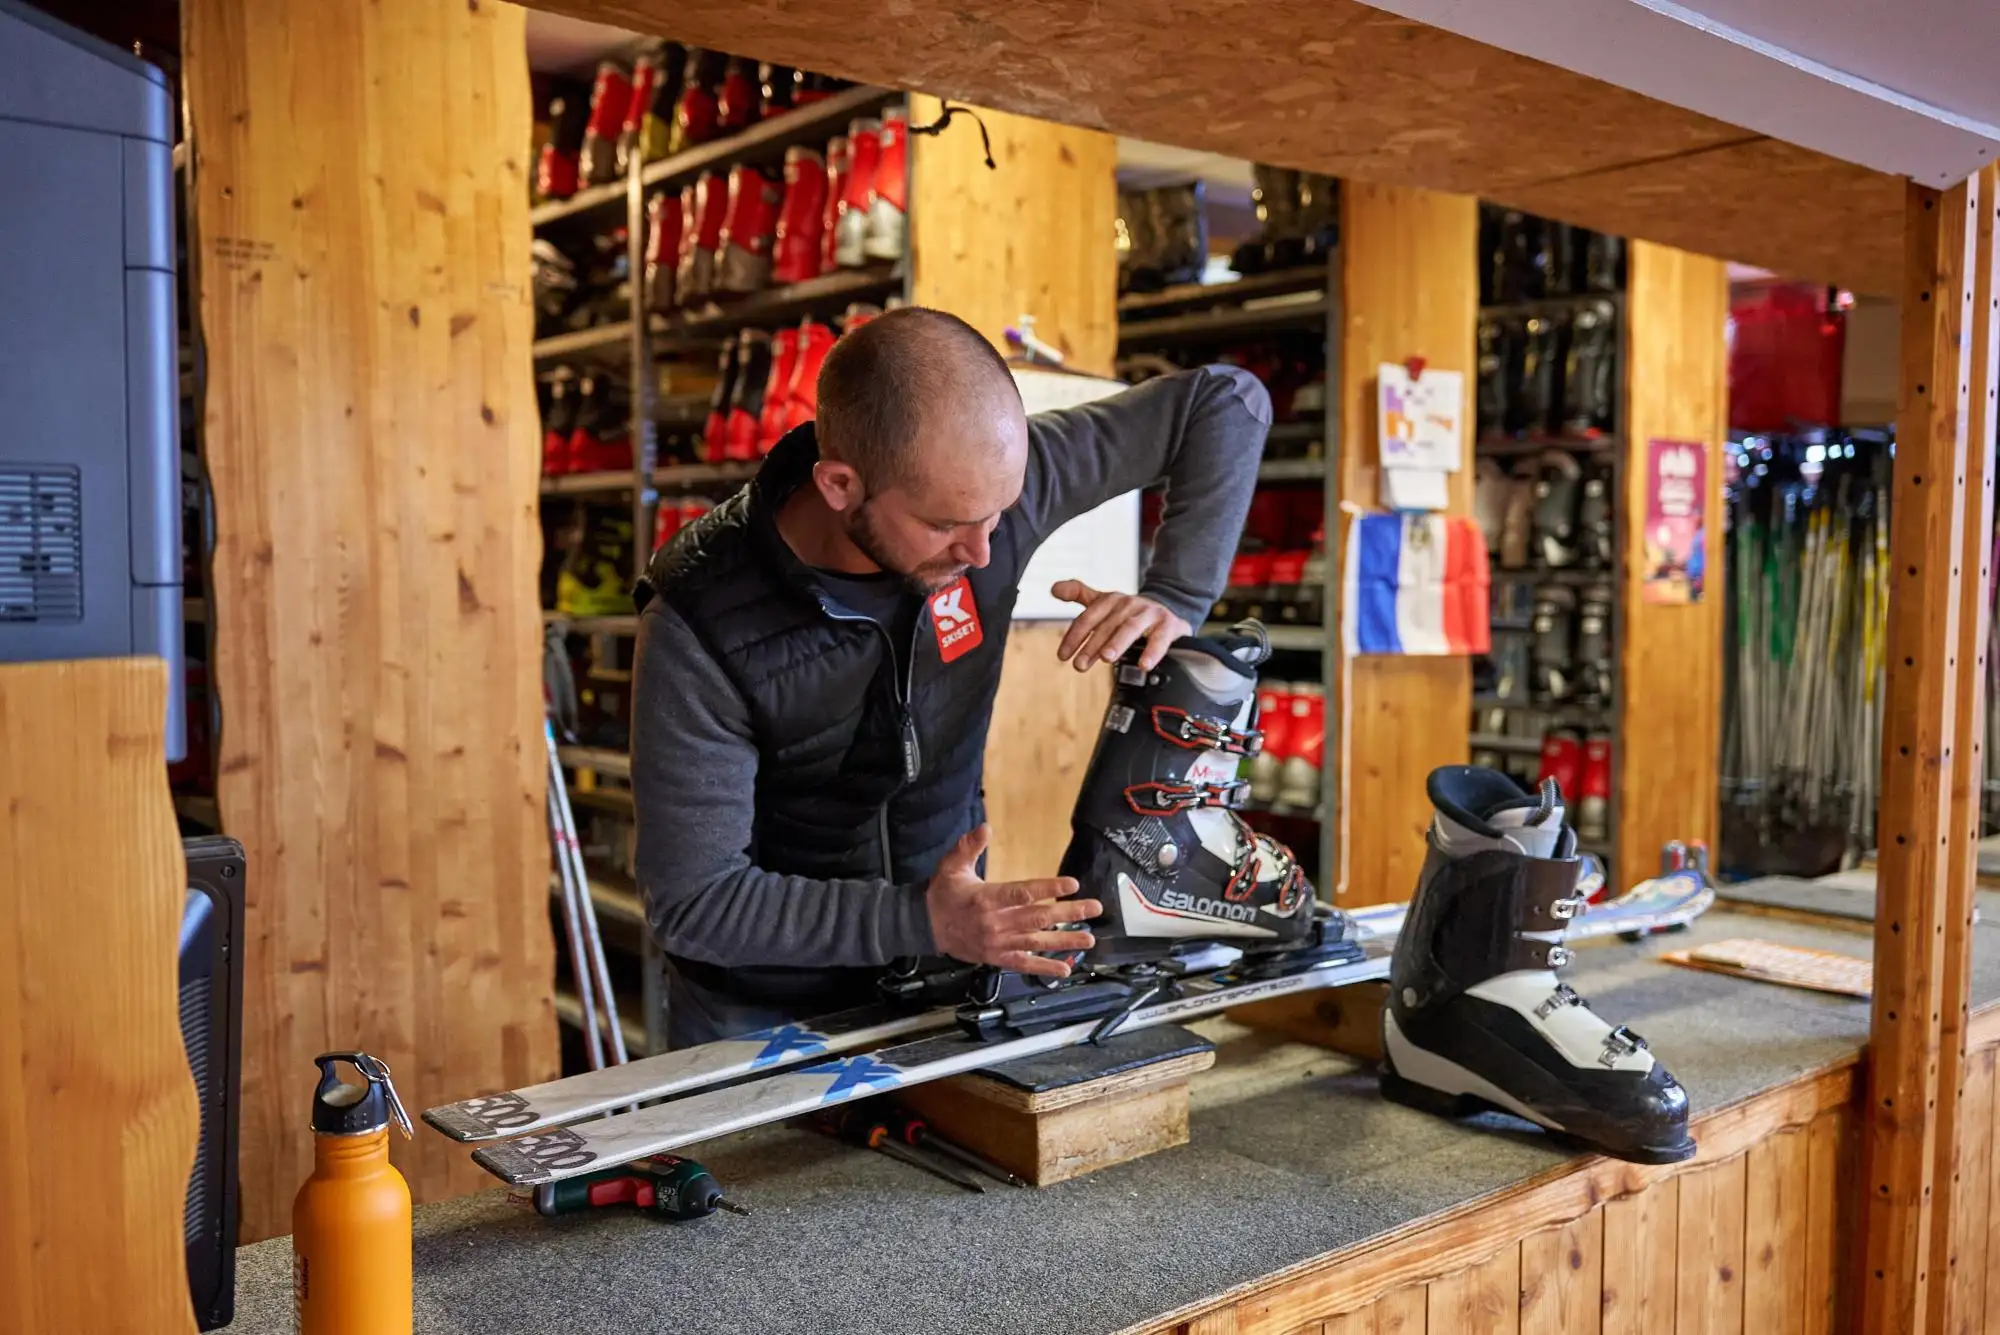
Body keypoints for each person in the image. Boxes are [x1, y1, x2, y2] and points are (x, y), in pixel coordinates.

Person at [631, 306, 1268, 1047]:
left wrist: (1176, 596)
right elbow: (695, 903)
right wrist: (920, 917)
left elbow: (1225, 402)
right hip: (760, 1008)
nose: (985, 551)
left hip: (947, 971)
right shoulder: (701, 621)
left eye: (999, 513)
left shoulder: (984, 498)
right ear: (840, 485)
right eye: (945, 526)